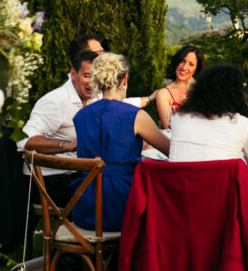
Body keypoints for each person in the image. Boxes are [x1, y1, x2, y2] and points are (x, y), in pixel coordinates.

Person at [71, 53, 171, 230]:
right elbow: (171, 150)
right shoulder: (135, 116)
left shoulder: (81, 116)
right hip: (124, 204)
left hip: (85, 204)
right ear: (124, 80)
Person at [17, 48, 100, 201]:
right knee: (105, 196)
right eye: (87, 76)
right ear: (73, 74)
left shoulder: (95, 98)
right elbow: (25, 141)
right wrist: (67, 145)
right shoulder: (55, 102)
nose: (92, 83)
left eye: (96, 77)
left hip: (78, 173)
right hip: (48, 182)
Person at [168, 63, 248, 171]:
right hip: (218, 187)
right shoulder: (241, 123)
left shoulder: (179, 118)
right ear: (236, 94)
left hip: (177, 187)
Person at [156, 44, 205, 128]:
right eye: (182, 61)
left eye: (191, 64)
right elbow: (167, 130)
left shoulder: (201, 91)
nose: (184, 67)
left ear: (196, 69)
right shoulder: (163, 94)